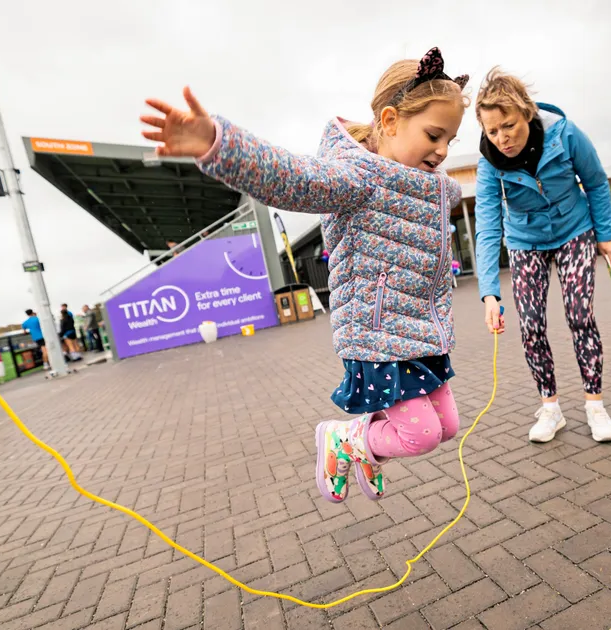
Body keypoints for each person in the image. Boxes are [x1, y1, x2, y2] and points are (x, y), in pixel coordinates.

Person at [142, 47, 468, 503]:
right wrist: (217, 143)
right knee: (422, 435)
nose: (442, 150)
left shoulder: (427, 189)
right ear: (391, 121)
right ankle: (347, 440)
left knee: (449, 427)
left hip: (424, 334)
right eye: (434, 134)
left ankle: (364, 448)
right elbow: (293, 177)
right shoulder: (355, 178)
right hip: (381, 338)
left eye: (450, 139)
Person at [474, 68, 611, 445]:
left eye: (508, 125)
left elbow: (597, 181)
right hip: (525, 243)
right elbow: (488, 225)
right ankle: (550, 408)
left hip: (574, 230)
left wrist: (605, 236)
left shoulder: (565, 133)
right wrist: (489, 291)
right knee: (532, 326)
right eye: (492, 131)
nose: (502, 138)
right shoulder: (490, 161)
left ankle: (594, 405)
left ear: (526, 112)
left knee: (580, 316)